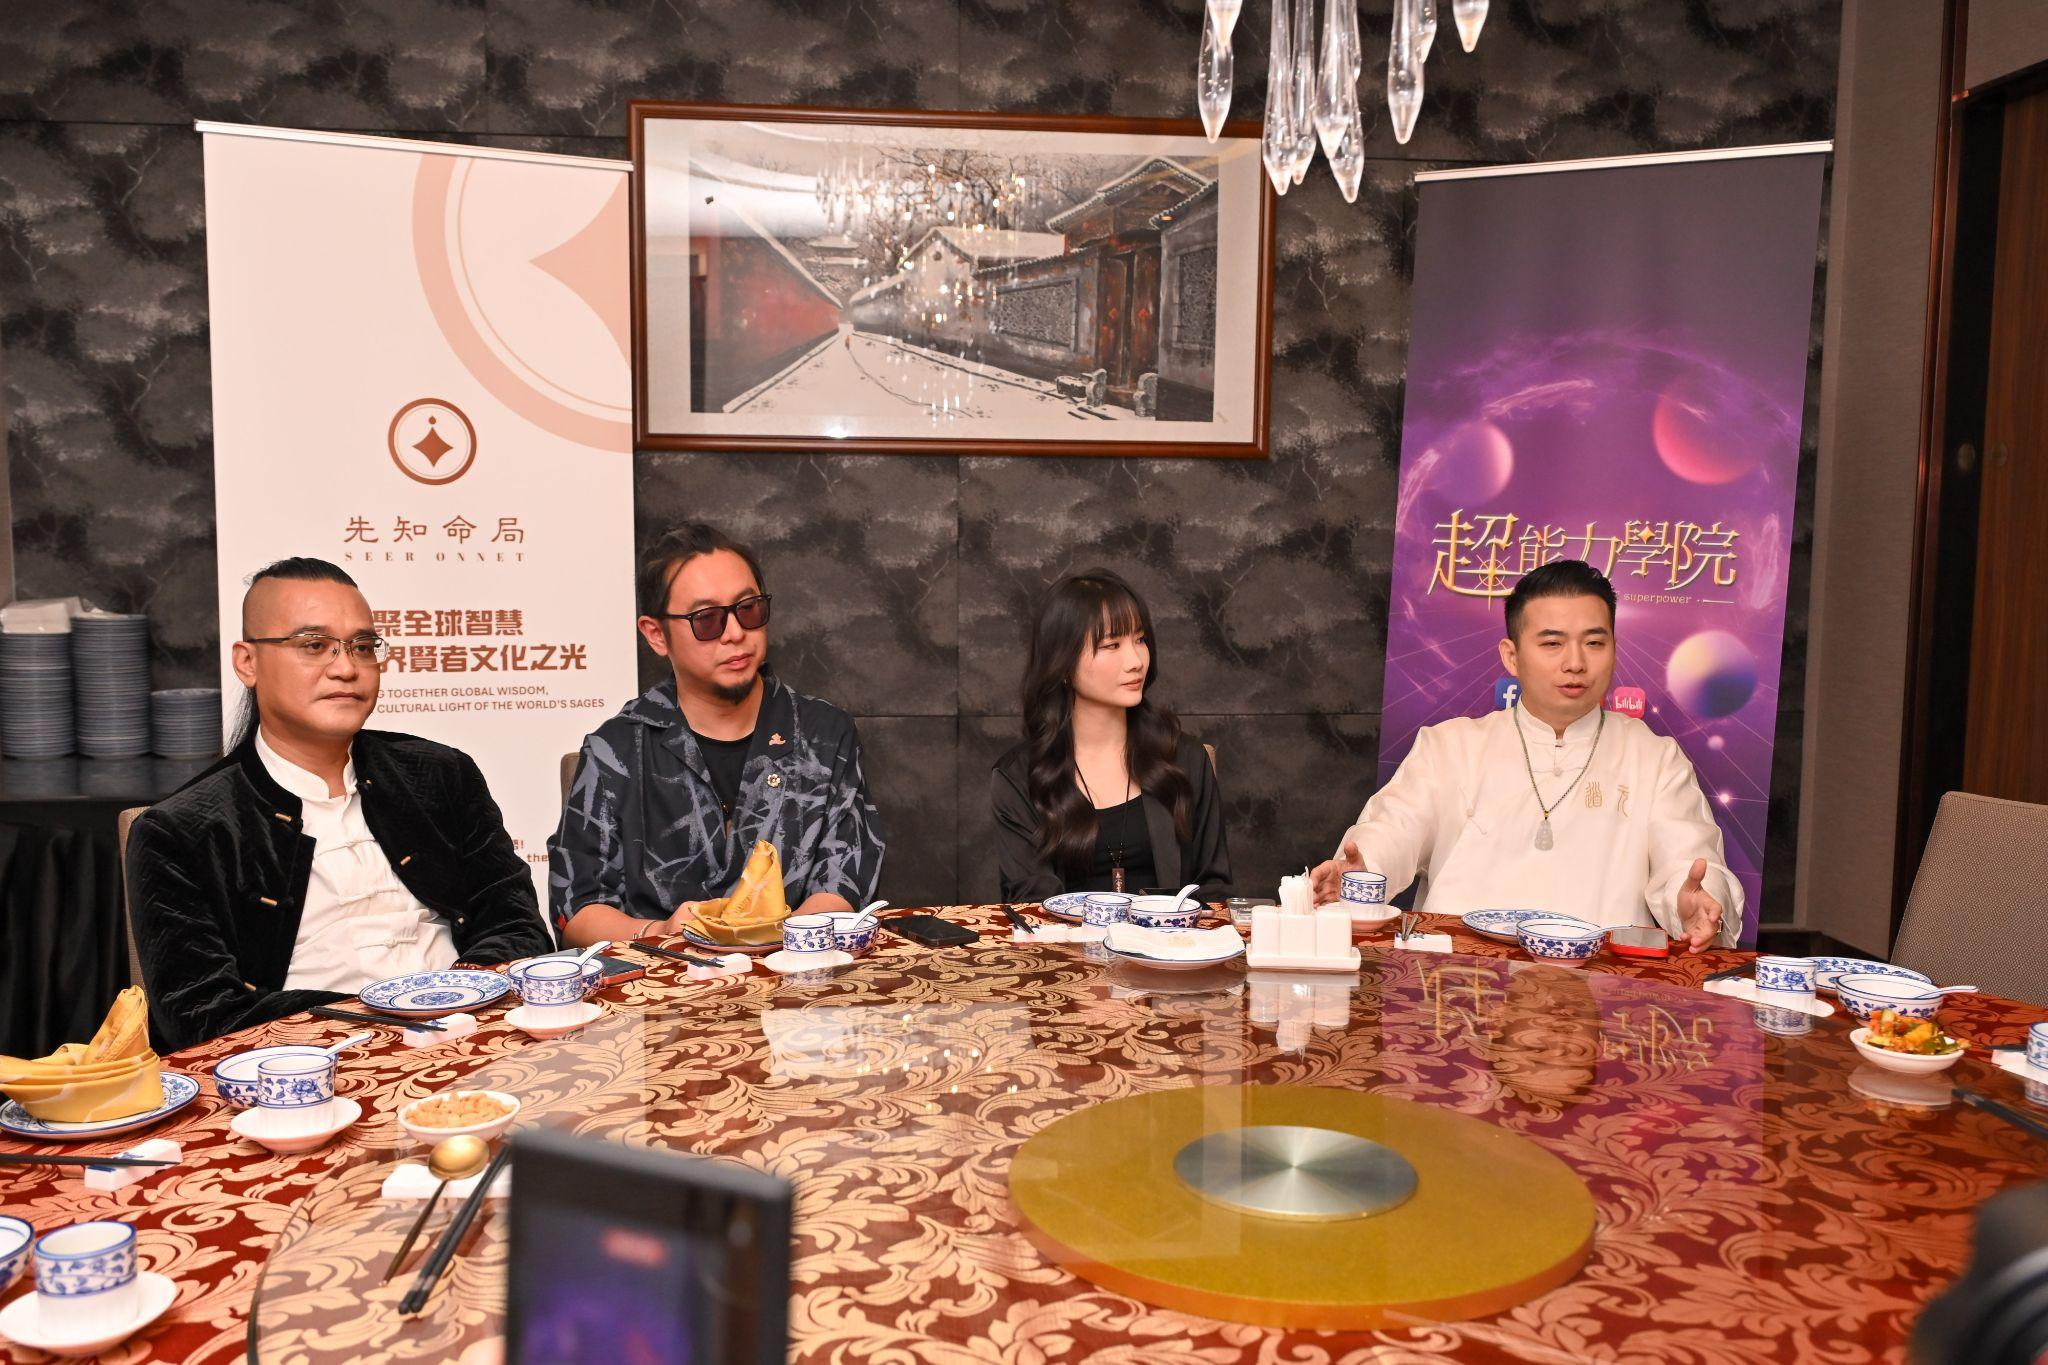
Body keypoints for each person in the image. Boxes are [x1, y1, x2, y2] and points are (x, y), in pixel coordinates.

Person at [127, 558, 551, 1051]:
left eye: (363, 647)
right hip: (309, 1063)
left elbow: (517, 925)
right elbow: (201, 1016)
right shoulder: (179, 830)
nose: (347, 668)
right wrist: (385, 1023)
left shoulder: (441, 775)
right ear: (247, 663)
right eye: (314, 645)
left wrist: (458, 997)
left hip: (475, 1036)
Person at [1310, 559, 1740, 949]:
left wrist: (1697, 903)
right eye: (1552, 644)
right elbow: (1392, 831)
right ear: (1512, 657)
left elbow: (1689, 863)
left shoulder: (1654, 757)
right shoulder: (1450, 747)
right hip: (1458, 986)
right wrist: (1361, 872)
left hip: (1602, 990)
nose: (1575, 663)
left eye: (1594, 643)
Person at [550, 524, 883, 944]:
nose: (735, 633)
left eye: (748, 609)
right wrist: (662, 932)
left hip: (795, 969)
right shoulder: (615, 750)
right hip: (664, 976)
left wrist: (778, 946)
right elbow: (578, 907)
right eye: (706, 619)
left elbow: (843, 880)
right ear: (656, 634)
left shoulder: (824, 735)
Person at [991, 570, 1229, 903]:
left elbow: (1213, 890)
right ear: (1062, 663)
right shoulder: (1019, 777)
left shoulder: (1185, 759)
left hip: (1171, 936)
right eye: (1112, 645)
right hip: (1064, 938)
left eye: (1140, 639)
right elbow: (1033, 903)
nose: (1136, 661)